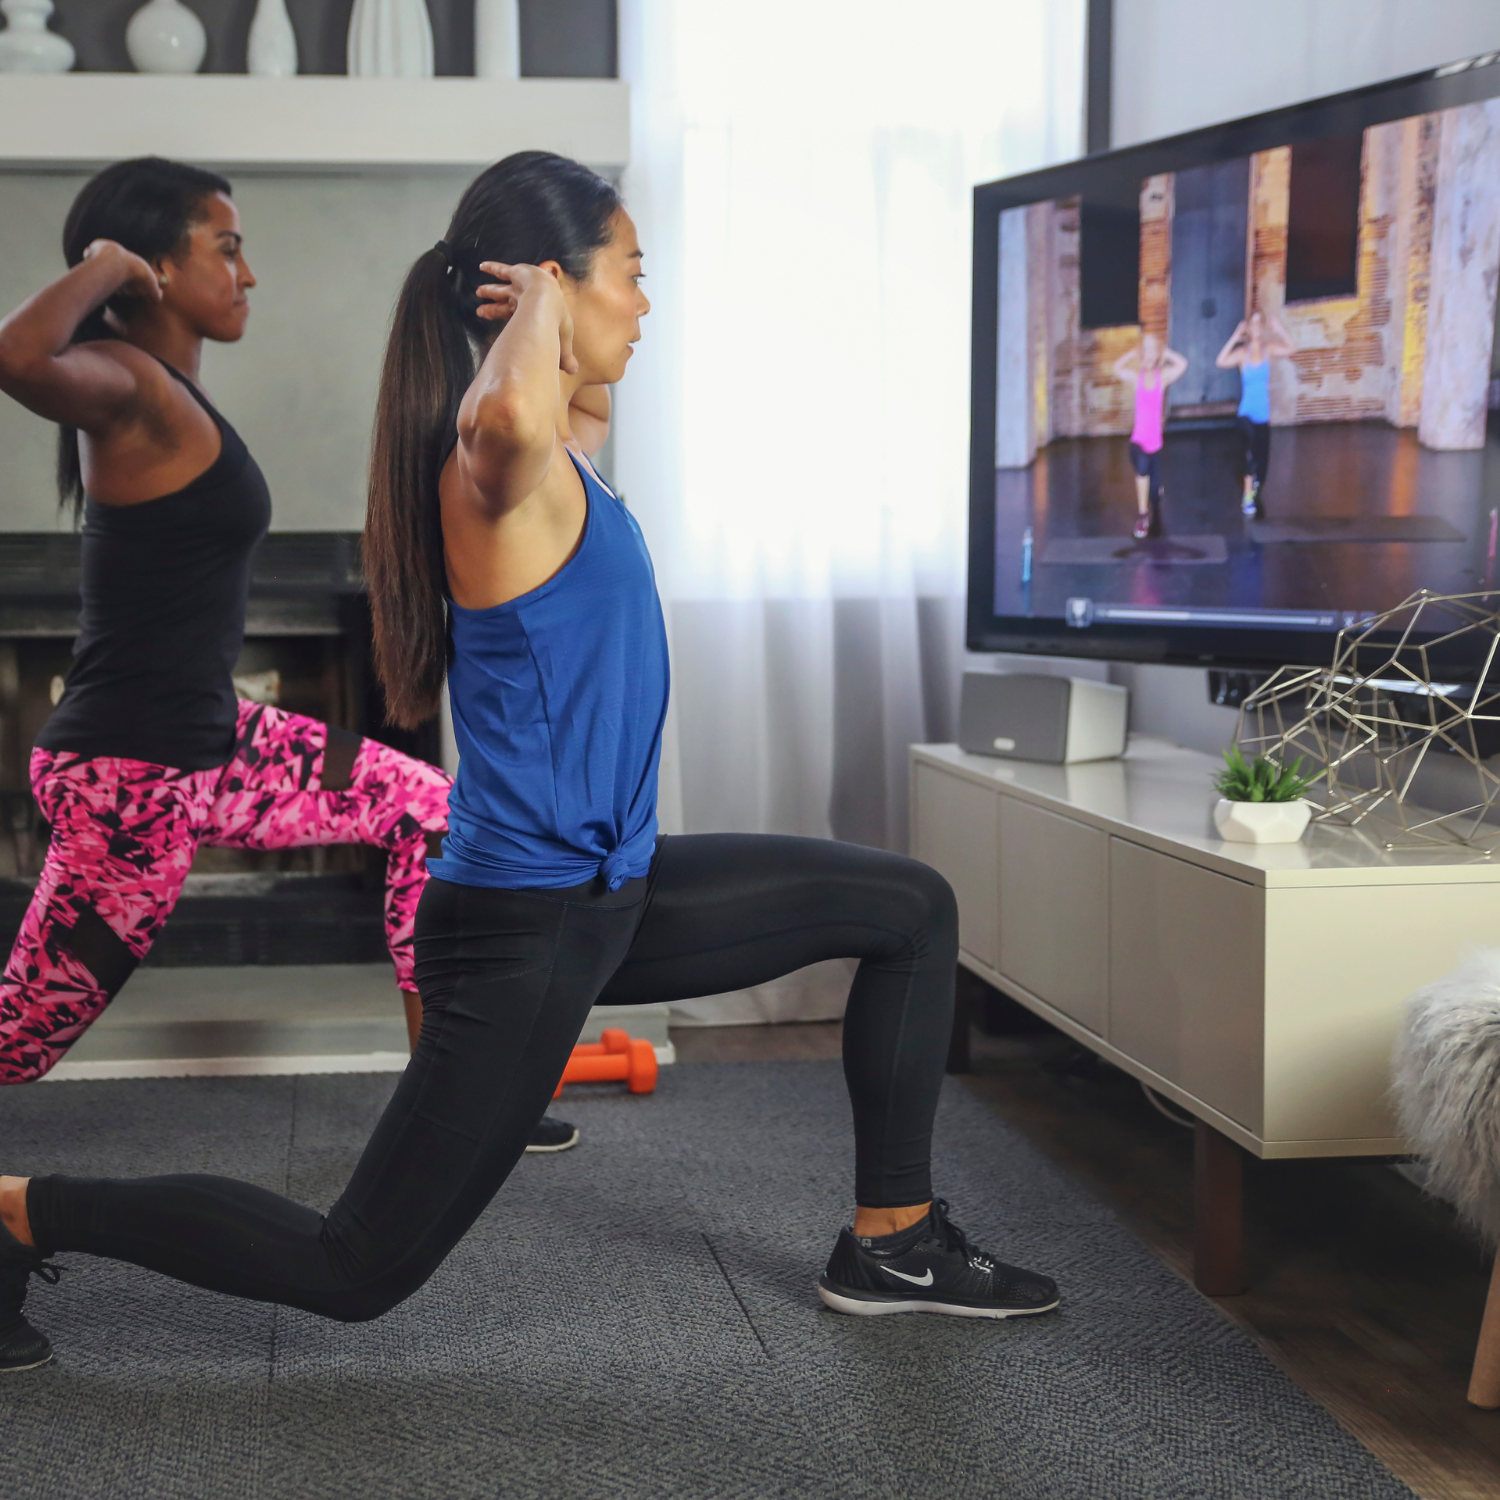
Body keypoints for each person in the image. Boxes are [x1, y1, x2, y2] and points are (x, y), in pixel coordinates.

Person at [0, 150, 1059, 1374]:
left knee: (909, 909)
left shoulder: (568, 449)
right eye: (632, 276)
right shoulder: (491, 474)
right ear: (556, 285)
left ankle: (894, 1242)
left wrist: (551, 315)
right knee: (350, 1272)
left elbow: (546, 399)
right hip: (522, 927)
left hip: (614, 893)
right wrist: (547, 301)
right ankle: (22, 1208)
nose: (647, 305)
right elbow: (500, 411)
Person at [0, 161, 576, 1145]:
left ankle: (446, 1108)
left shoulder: (160, 389)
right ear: (157, 268)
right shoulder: (131, 387)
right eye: (225, 248)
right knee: (16, 1042)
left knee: (429, 809)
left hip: (213, 743)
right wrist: (105, 264)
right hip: (131, 780)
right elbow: (14, 355)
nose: (248, 273)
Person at [1215, 309, 1293, 518]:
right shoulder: (1243, 353)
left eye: (1260, 323)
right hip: (1246, 413)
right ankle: (1247, 497)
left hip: (1263, 414)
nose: (1257, 327)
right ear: (1248, 328)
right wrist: (1235, 336)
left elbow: (1290, 348)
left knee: (1261, 464)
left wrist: (1280, 330)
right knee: (1248, 455)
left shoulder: (1268, 350)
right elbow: (1220, 361)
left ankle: (1255, 487)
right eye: (1253, 323)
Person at [1112, 332, 1187, 540]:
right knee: (1142, 466)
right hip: (1137, 443)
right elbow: (1116, 368)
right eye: (1145, 349)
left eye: (1153, 349)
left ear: (1157, 354)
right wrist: (1131, 353)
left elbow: (1182, 364)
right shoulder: (1137, 378)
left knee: (1154, 493)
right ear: (1141, 353)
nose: (1149, 353)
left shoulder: (1162, 377)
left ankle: (1155, 496)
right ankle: (1143, 517)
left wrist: (1165, 352)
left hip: (1156, 445)